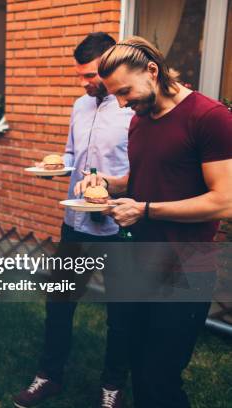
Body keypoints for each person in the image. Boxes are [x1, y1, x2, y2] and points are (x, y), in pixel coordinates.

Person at [75, 36, 232, 407]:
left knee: (159, 380)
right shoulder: (140, 121)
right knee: (137, 366)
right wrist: (107, 184)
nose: (123, 103)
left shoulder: (210, 118)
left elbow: (224, 201)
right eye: (116, 96)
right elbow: (144, 177)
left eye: (125, 92)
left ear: (152, 70)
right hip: (138, 259)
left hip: (185, 267)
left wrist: (146, 209)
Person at [13, 32, 134, 408]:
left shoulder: (134, 109)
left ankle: (112, 386)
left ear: (111, 64)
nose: (84, 84)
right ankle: (48, 376)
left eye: (90, 75)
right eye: (80, 76)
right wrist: (56, 167)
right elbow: (70, 154)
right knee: (60, 302)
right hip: (76, 222)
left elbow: (144, 170)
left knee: (122, 312)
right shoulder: (80, 106)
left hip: (120, 228)